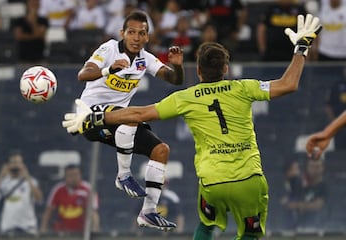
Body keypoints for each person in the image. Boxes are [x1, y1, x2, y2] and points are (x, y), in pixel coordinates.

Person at [62, 14, 322, 239]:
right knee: (250, 233)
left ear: (198, 71)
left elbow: (140, 112)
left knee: (206, 226)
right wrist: (301, 48)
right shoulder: (244, 88)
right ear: (226, 69)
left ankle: (144, 202)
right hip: (249, 180)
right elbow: (289, 84)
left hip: (213, 181)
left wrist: (96, 118)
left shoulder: (186, 98)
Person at [63, 10, 184, 231]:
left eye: (142, 33)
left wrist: (177, 65)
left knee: (161, 150)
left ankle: (148, 212)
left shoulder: (145, 59)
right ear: (122, 33)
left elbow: (175, 79)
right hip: (90, 116)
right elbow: (83, 74)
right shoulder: (109, 49)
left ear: (147, 37)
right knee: (132, 116)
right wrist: (109, 69)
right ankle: (123, 175)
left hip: (119, 123)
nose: (136, 38)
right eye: (132, 32)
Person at [0, 151, 43, 236]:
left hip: (28, 228)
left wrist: (27, 177)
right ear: (8, 165)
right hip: (8, 228)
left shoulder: (31, 181)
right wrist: (1, 176)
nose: (16, 165)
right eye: (13, 162)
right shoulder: (3, 182)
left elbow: (39, 199)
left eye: (19, 162)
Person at [40, 164, 100, 234]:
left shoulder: (88, 189)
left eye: (76, 175)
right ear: (65, 177)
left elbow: (93, 212)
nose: (73, 178)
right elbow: (48, 212)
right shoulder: (58, 190)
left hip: (82, 233)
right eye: (70, 176)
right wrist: (43, 231)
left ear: (80, 175)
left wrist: (95, 230)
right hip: (61, 233)